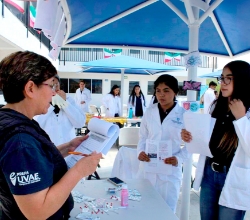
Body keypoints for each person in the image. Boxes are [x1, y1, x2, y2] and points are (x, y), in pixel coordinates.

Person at [0, 51, 102, 219]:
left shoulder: (14, 120)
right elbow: (37, 212)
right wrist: (79, 170)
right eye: (50, 86)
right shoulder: (19, 142)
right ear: (31, 88)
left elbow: (35, 159)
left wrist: (67, 147)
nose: (54, 93)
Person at [181, 60, 250, 220]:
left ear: (241, 79)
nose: (223, 83)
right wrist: (189, 135)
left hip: (232, 178)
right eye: (222, 77)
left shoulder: (246, 111)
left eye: (229, 78)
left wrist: (241, 118)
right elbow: (207, 139)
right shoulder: (216, 106)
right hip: (209, 174)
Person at [137, 74, 189, 212]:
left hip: (169, 170)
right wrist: (140, 151)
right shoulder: (149, 112)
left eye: (166, 90)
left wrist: (179, 158)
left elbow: (191, 145)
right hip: (149, 166)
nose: (161, 94)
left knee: (167, 210)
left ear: (175, 92)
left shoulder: (184, 115)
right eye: (158, 90)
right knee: (145, 208)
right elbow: (143, 136)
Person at [34, 74, 86, 146]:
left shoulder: (68, 100)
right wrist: (51, 104)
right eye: (51, 86)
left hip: (69, 151)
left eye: (56, 84)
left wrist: (64, 103)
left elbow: (80, 123)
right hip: (48, 151)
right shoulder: (38, 102)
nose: (54, 88)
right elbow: (35, 124)